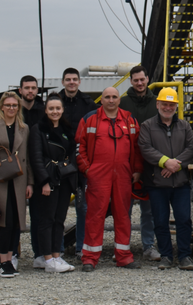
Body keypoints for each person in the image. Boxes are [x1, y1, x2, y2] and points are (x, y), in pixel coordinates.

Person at [75, 86, 141, 271]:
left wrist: (136, 169)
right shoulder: (89, 119)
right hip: (98, 176)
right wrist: (88, 170)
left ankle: (124, 256)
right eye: (107, 97)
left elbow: (137, 148)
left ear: (120, 100)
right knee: (95, 216)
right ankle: (89, 257)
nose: (111, 100)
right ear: (101, 100)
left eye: (114, 97)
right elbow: (79, 147)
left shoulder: (130, 120)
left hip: (123, 175)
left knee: (123, 216)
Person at [138, 87, 193, 271]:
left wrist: (175, 165)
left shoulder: (184, 126)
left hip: (180, 183)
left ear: (176, 106)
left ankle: (185, 256)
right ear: (158, 104)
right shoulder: (147, 126)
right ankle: (166, 256)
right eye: (165, 104)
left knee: (184, 220)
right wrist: (165, 162)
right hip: (157, 184)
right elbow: (145, 148)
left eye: (172, 104)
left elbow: (191, 148)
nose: (168, 107)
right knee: (160, 221)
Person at [0, 92, 34, 278]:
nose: (11, 108)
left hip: (18, 181)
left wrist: (30, 183)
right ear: (2, 106)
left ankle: (10, 260)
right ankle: (2, 262)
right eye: (8, 105)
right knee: (4, 222)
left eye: (14, 105)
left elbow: (28, 158)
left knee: (16, 222)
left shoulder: (23, 128)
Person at [27, 94, 78, 273]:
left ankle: (57, 255)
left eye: (58, 108)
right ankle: (46, 258)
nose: (54, 112)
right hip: (48, 180)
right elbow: (36, 158)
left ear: (62, 110)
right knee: (46, 219)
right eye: (51, 109)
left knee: (59, 219)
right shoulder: (37, 130)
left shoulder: (67, 129)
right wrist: (44, 182)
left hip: (63, 178)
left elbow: (71, 154)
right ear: (45, 110)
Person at [118, 65, 161, 262]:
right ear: (131, 81)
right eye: (135, 80)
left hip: (151, 163)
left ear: (147, 78)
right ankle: (122, 246)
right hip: (125, 163)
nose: (140, 83)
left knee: (148, 209)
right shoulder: (122, 103)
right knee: (123, 208)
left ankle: (148, 246)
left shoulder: (158, 103)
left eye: (142, 79)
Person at [58, 67, 98, 256]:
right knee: (59, 206)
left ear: (79, 81)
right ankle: (56, 248)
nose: (71, 82)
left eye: (74, 79)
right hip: (60, 160)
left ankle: (82, 247)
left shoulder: (88, 103)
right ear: (63, 81)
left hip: (82, 161)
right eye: (68, 79)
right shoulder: (56, 102)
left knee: (83, 206)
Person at [17, 74, 45, 270]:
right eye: (27, 88)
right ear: (20, 90)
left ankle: (39, 253)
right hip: (15, 169)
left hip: (36, 168)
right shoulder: (12, 110)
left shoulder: (43, 112)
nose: (30, 91)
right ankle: (12, 254)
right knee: (13, 215)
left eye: (33, 88)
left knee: (38, 215)